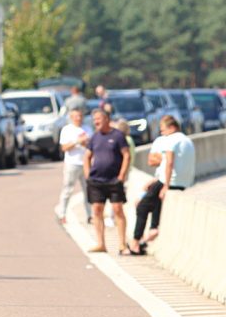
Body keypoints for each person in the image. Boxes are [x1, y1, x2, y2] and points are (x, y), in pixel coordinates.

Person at [129, 115, 195, 255]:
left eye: (163, 130)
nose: (162, 134)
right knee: (153, 200)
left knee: (141, 205)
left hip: (170, 181)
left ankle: (136, 241)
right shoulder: (187, 141)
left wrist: (165, 184)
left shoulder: (171, 140)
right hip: (183, 182)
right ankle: (153, 228)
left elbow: (170, 163)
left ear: (172, 128)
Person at [83, 108, 131, 254]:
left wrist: (122, 175)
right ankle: (100, 243)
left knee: (118, 209)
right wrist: (88, 175)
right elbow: (87, 156)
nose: (96, 122)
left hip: (114, 180)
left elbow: (126, 155)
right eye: (94, 120)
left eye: (98, 119)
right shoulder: (94, 137)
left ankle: (122, 244)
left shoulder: (118, 136)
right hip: (96, 180)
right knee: (97, 210)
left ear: (107, 119)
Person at [57, 108, 91, 223]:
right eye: (76, 116)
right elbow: (64, 148)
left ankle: (90, 215)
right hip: (72, 163)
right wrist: (77, 141)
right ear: (71, 117)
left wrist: (85, 143)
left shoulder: (88, 129)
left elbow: (93, 146)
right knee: (67, 189)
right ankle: (62, 214)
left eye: (80, 116)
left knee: (88, 190)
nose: (78, 118)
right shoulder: (67, 130)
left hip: (86, 164)